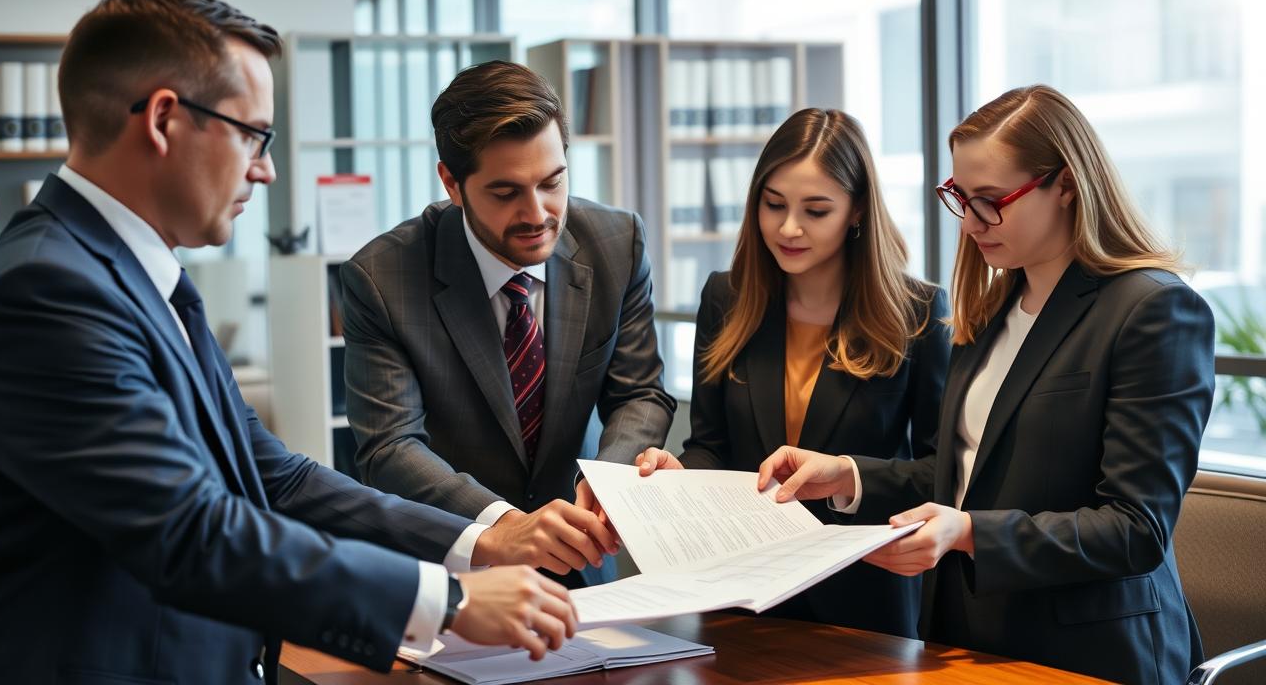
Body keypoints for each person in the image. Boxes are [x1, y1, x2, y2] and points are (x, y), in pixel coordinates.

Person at [0, 0, 578, 685]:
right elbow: (190, 532)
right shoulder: (45, 295)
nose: (265, 169)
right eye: (253, 136)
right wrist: (444, 601)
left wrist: (481, 543)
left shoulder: (136, 276)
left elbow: (272, 477)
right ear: (165, 119)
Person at [756, 85, 1214, 683]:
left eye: (993, 200)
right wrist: (849, 474)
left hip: (1088, 654)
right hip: (968, 638)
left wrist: (970, 533)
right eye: (960, 198)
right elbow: (967, 475)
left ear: (1067, 187)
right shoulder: (991, 308)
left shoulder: (1151, 311)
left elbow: (1134, 528)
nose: (971, 222)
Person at [340, 60, 677, 585]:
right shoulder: (383, 278)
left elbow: (639, 394)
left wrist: (606, 481)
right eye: (506, 192)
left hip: (584, 561)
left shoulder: (617, 243)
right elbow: (390, 446)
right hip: (455, 569)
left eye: (552, 183)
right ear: (452, 182)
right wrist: (505, 526)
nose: (538, 212)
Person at [635, 109, 949, 637]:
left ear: (856, 212)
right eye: (773, 204)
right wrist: (679, 477)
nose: (788, 228)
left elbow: (943, 471)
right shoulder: (726, 297)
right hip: (741, 593)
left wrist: (848, 475)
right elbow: (711, 444)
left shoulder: (916, 312)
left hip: (864, 602)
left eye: (816, 210)